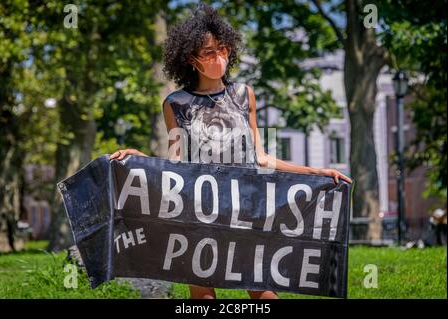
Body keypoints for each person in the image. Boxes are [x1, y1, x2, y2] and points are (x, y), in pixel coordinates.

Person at [110, 4, 351, 299]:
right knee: (203, 298)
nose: (218, 57)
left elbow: (260, 158)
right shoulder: (175, 103)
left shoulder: (243, 94)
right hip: (198, 212)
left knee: (262, 292)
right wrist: (138, 159)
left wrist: (317, 172)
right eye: (209, 52)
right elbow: (176, 165)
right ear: (192, 60)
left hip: (245, 211)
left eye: (222, 49)